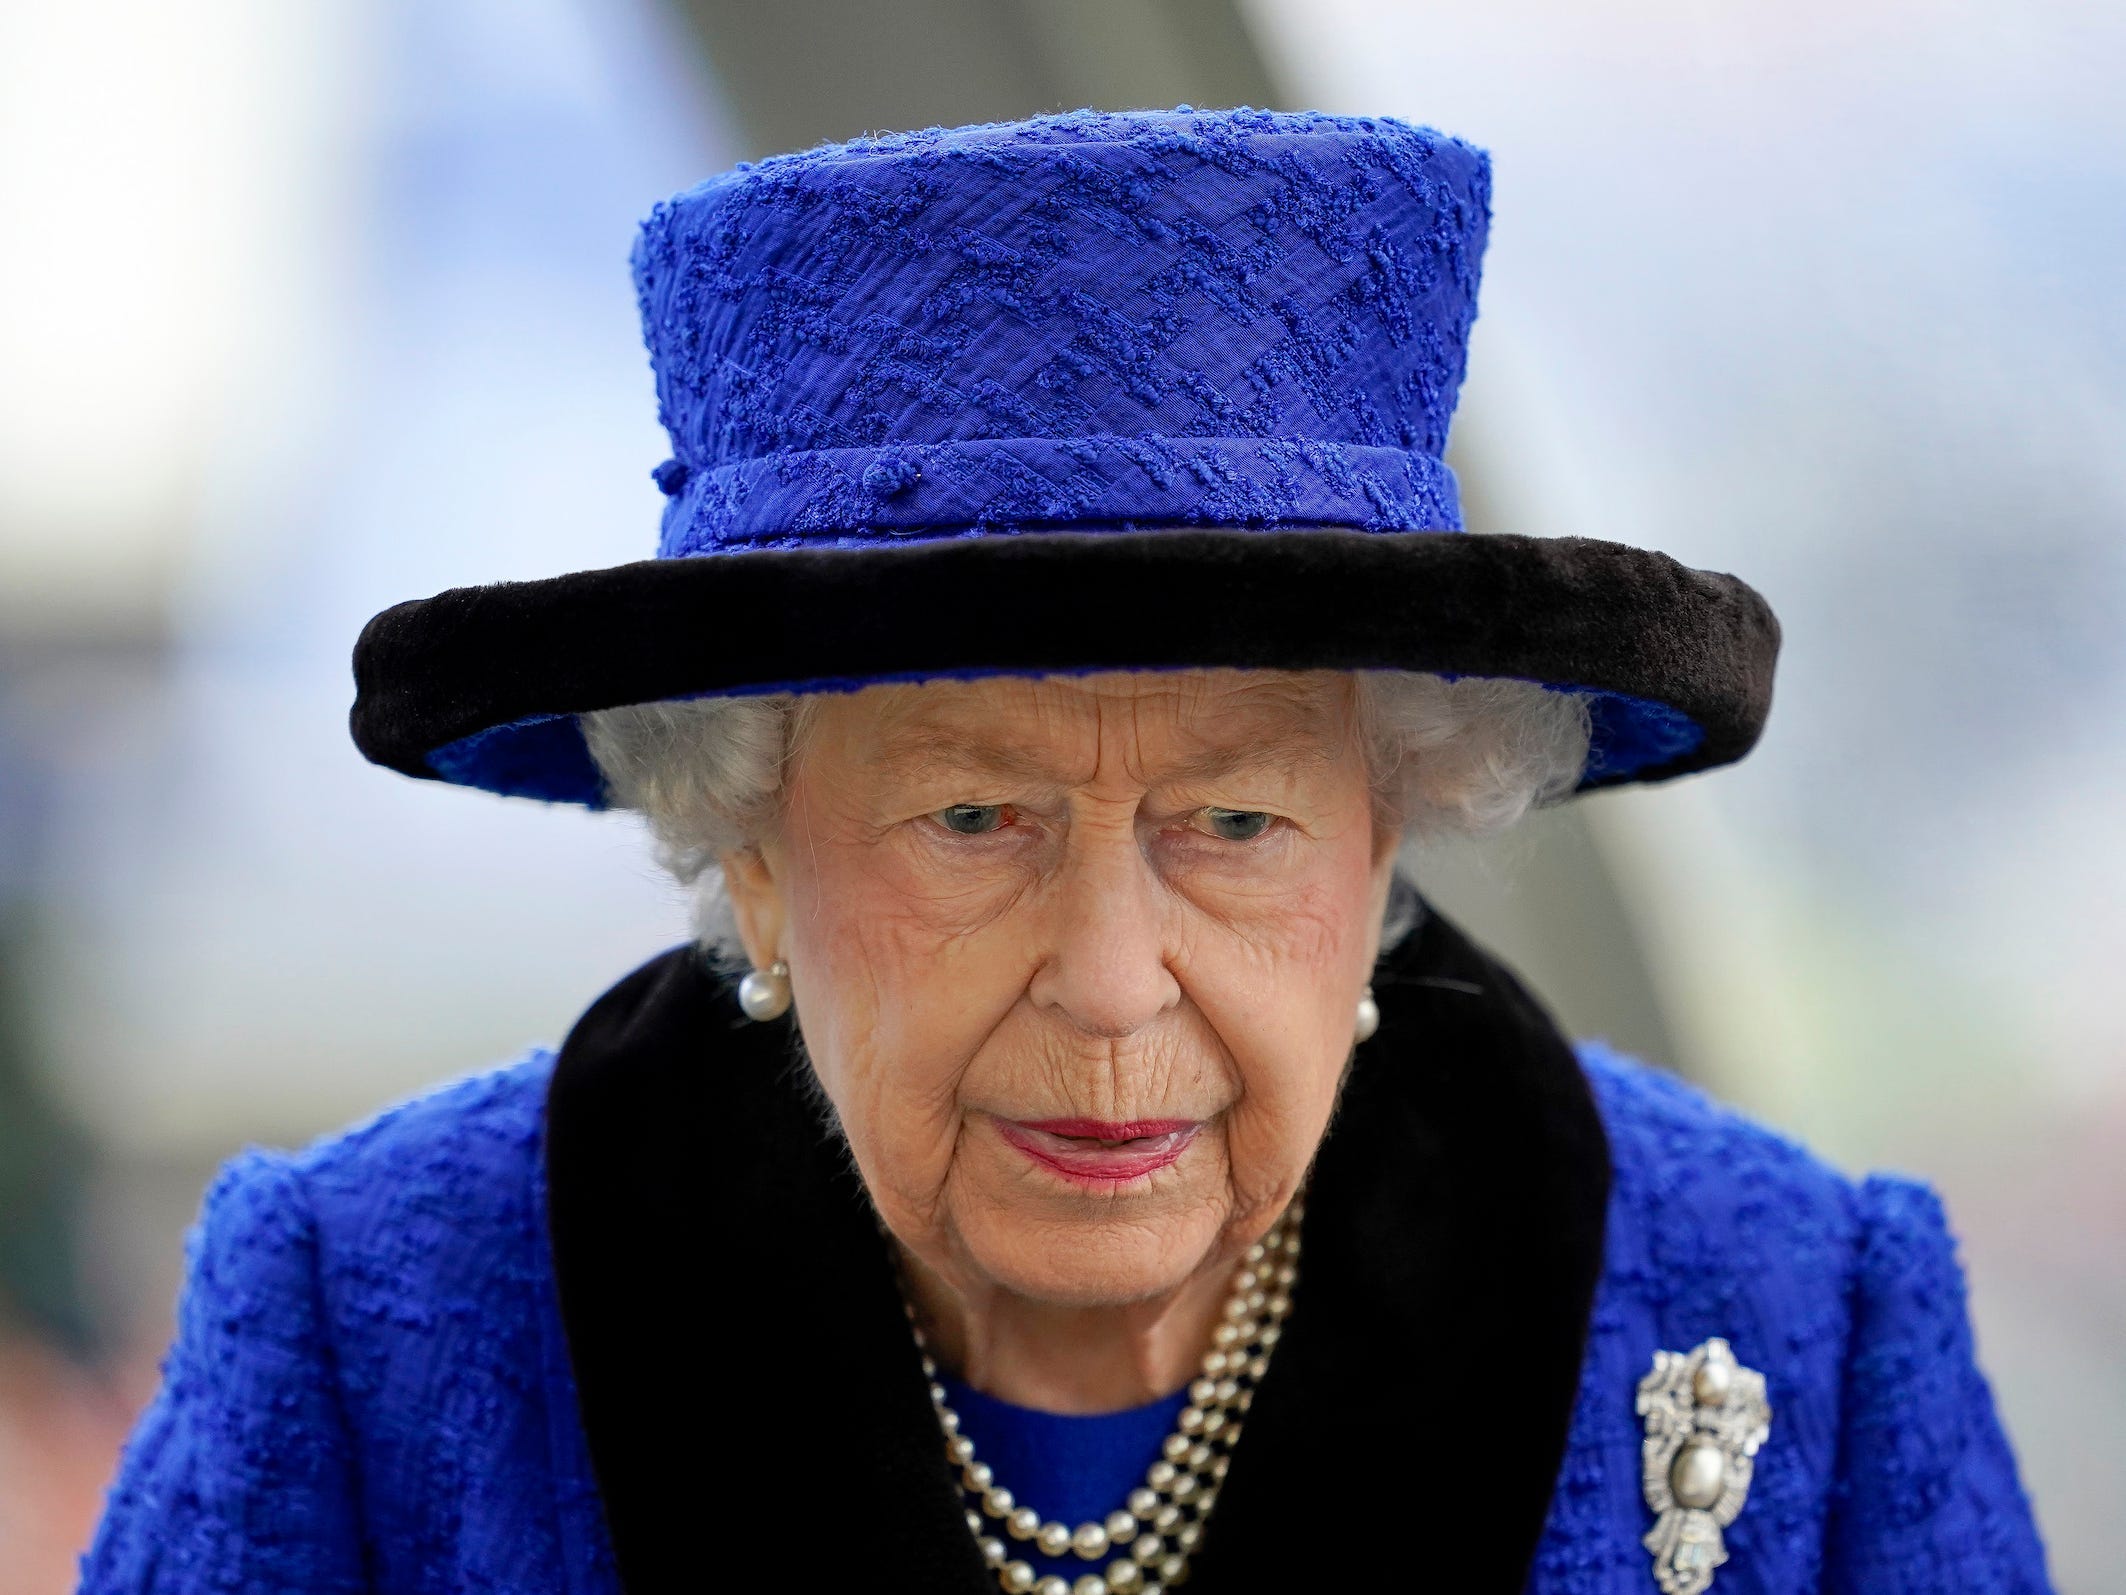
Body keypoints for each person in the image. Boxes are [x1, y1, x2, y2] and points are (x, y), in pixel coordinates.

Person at [81, 108, 2049, 1594]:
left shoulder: (1802, 1317)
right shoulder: (360, 1324)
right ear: (750, 848)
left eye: (1234, 824)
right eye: (971, 819)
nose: (1111, 981)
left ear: (1388, 837)